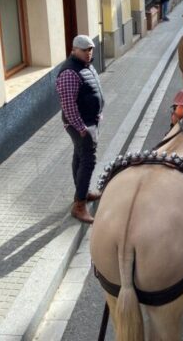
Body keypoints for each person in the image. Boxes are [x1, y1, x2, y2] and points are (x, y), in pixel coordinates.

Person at [56, 35, 105, 224]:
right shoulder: (69, 72)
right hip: (81, 124)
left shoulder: (86, 66)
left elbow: (94, 90)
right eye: (85, 50)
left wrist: (99, 112)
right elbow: (68, 105)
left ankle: (81, 192)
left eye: (90, 49)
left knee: (80, 155)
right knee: (88, 160)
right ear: (74, 49)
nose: (89, 53)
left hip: (90, 120)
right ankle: (79, 205)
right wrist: (81, 127)